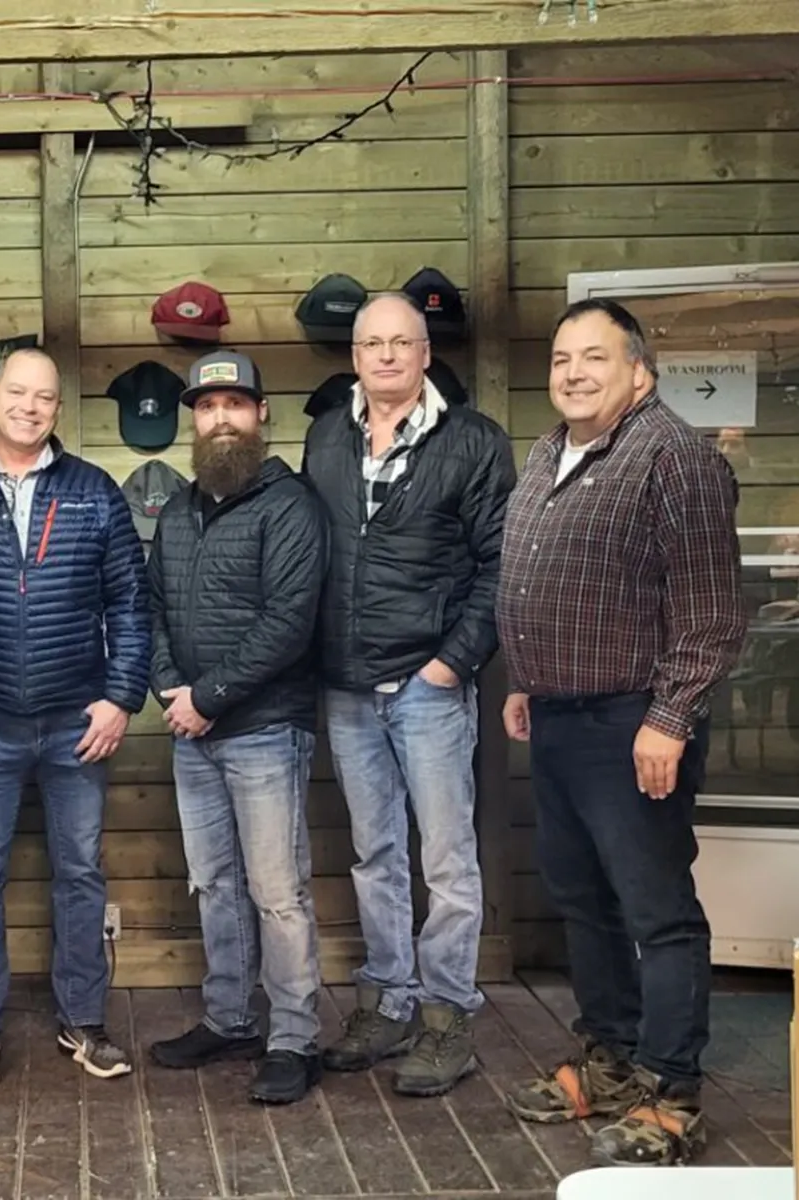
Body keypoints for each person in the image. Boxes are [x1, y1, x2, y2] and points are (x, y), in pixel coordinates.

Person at [498, 298, 744, 1167]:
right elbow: (550, 582)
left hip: (634, 722)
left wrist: (670, 720)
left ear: (640, 370)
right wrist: (531, 680)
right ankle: (607, 1061)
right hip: (562, 718)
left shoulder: (676, 461)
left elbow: (712, 616)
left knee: (658, 913)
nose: (572, 372)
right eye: (562, 357)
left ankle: (673, 1095)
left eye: (594, 357)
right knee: (583, 901)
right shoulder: (547, 451)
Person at [300, 290, 515, 1097]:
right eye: (372, 344)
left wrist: (451, 664)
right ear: (354, 358)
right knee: (376, 854)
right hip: (349, 687)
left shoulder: (474, 443)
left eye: (403, 343)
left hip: (428, 685)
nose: (387, 356)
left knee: (449, 860)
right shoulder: (325, 438)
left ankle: (448, 1017)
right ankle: (388, 1003)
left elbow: (498, 567)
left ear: (426, 355)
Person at [0, 345, 148, 1088]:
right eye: (17, 393)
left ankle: (84, 1021)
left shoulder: (95, 491)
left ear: (57, 408)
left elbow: (131, 605)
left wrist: (120, 697)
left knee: (80, 872)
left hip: (77, 722)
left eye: (44, 397)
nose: (30, 406)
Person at [139, 351, 329, 1105]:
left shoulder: (291, 507)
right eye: (207, 405)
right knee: (216, 885)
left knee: (277, 891)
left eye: (235, 404)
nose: (221, 417)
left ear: (260, 416)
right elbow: (152, 603)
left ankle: (294, 1037)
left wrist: (208, 696)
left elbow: (288, 624)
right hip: (195, 732)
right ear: (193, 418)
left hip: (262, 732)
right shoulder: (182, 508)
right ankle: (229, 1018)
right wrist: (165, 684)